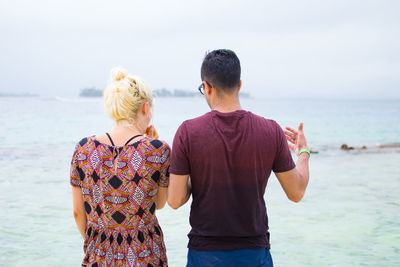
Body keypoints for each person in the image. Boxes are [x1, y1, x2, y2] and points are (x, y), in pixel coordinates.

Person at [167, 49, 310, 267]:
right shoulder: (271, 131)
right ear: (239, 85)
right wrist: (303, 153)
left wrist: (195, 177)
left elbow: (175, 200)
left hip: (205, 255)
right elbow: (297, 192)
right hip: (254, 254)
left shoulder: (188, 132)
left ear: (206, 87)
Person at [70, 67, 171, 266]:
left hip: (99, 254)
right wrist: (150, 145)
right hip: (146, 255)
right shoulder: (158, 150)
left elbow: (77, 212)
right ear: (144, 108)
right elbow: (158, 204)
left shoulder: (83, 148)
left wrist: (96, 242)